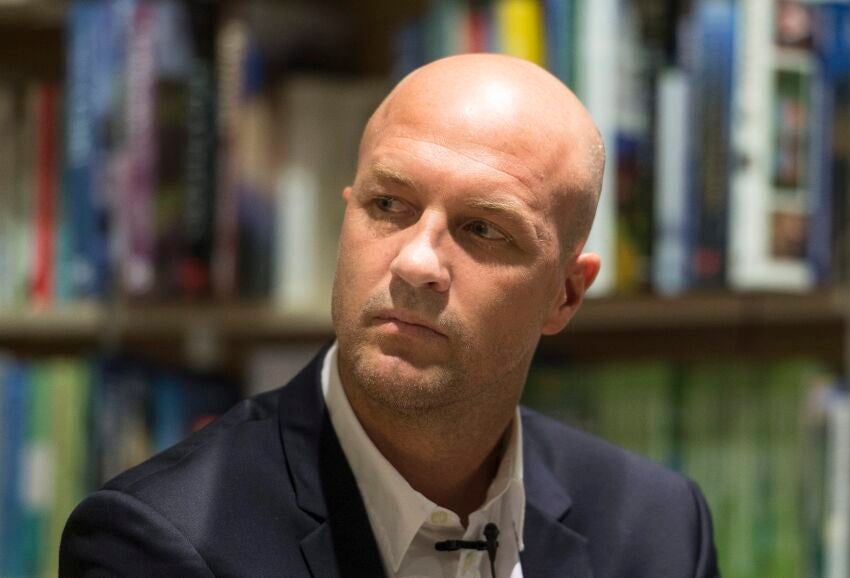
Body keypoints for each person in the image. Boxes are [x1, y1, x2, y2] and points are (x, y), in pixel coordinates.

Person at [60, 53, 719, 578]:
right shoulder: (160, 541)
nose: (416, 262)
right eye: (388, 206)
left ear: (565, 296)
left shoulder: (660, 530)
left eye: (484, 229)